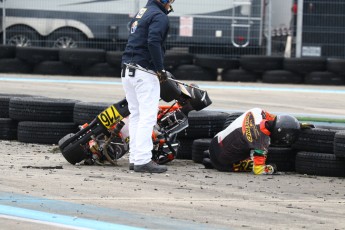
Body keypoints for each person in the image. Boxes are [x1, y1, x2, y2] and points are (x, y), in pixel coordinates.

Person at [121, 0, 175, 173]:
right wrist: (160, 69)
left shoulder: (142, 12)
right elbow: (153, 42)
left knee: (136, 115)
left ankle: (135, 158)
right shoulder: (159, 16)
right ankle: (143, 160)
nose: (171, 4)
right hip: (144, 72)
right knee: (148, 117)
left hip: (127, 70)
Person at [203, 108, 301, 175]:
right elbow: (258, 170)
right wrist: (271, 169)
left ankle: (210, 157)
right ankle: (215, 162)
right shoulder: (261, 142)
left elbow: (274, 119)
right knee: (269, 164)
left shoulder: (258, 111)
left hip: (215, 142)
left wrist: (295, 126)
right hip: (223, 163)